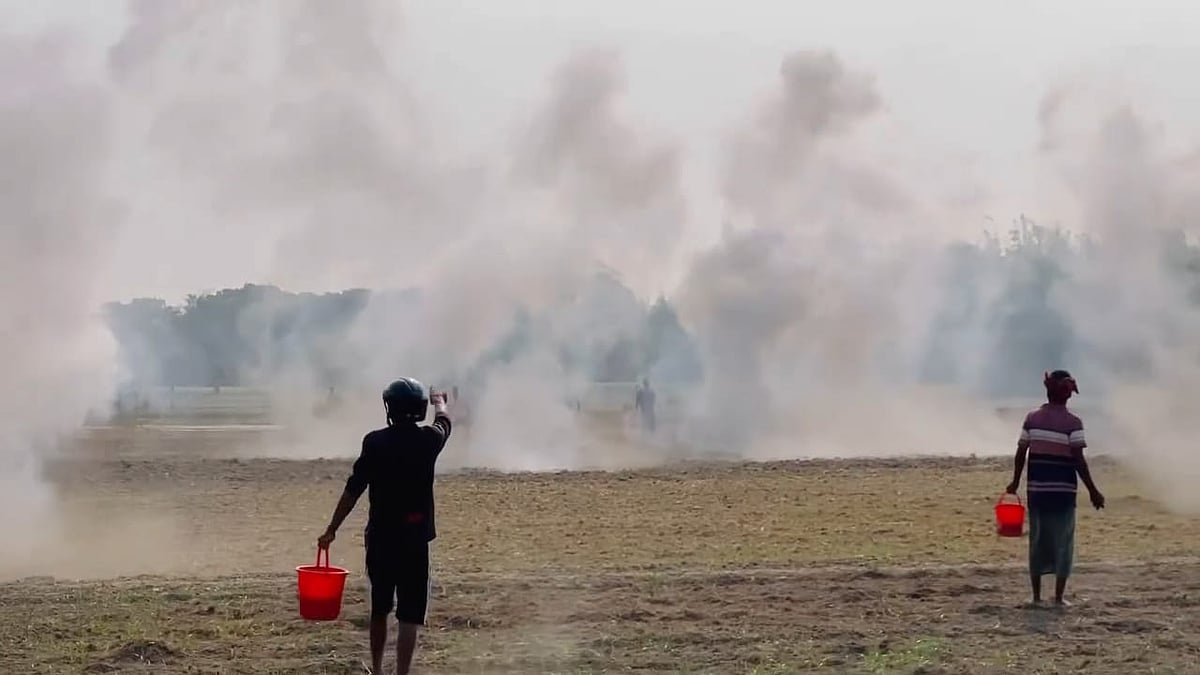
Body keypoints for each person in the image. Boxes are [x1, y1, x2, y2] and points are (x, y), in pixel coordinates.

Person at [317, 378, 452, 675]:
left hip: (382, 539)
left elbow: (353, 489)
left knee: (379, 609)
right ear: (419, 409)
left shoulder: (375, 442)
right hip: (415, 539)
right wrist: (439, 400)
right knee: (409, 615)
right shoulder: (429, 441)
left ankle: (377, 670)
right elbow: (444, 421)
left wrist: (332, 528)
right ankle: (401, 673)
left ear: (389, 407)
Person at [1006, 369, 1105, 608]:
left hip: (1037, 491)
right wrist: (1092, 490)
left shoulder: (1032, 418)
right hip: (1063, 493)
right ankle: (1059, 598)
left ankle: (1037, 596)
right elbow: (1078, 460)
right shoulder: (1073, 422)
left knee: (1038, 541)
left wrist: (1015, 482)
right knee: (1063, 542)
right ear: (1068, 394)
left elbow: (1021, 453)